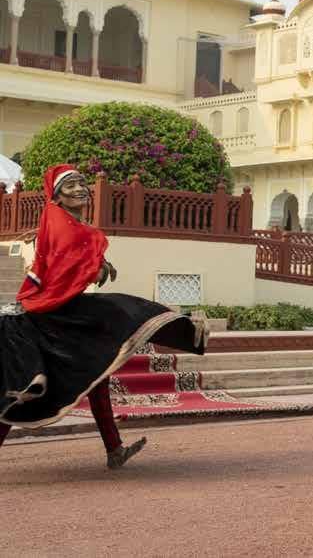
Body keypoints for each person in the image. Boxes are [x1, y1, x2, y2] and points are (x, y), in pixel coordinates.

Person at [0, 165, 204, 468]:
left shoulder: (70, 222)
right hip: (47, 316)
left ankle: (114, 449)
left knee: (98, 376)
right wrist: (93, 265)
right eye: (70, 185)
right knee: (19, 391)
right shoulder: (58, 218)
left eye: (82, 183)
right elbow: (64, 260)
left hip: (61, 311)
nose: (80, 189)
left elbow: (71, 253)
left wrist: (98, 262)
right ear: (56, 195)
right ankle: (114, 448)